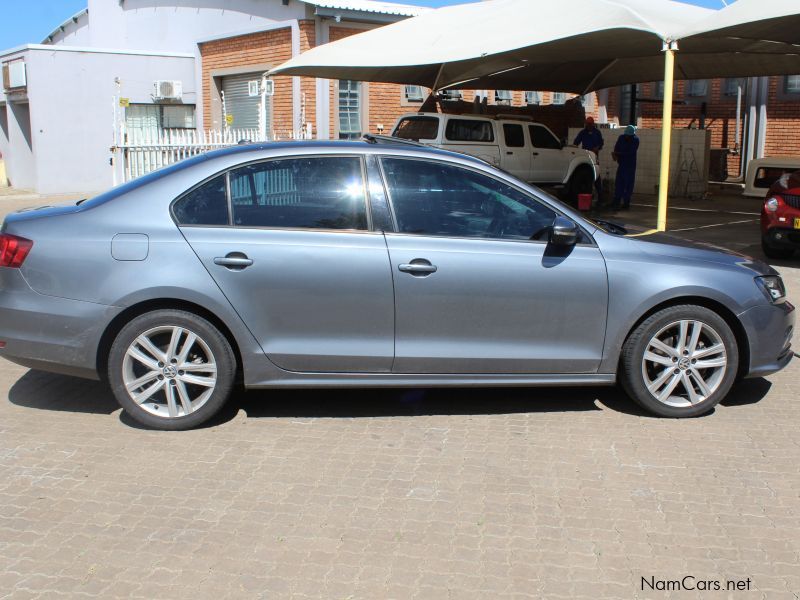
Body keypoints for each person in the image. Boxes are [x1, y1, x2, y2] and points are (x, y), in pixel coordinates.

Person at [573, 116, 604, 198]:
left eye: (590, 124)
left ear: (593, 124)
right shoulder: (583, 132)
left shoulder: (597, 132)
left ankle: (600, 195)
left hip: (594, 156)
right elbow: (576, 142)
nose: (588, 125)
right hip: (585, 157)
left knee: (596, 175)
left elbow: (601, 143)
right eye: (587, 124)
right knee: (586, 176)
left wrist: (597, 148)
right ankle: (587, 194)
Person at [611, 125, 640, 211]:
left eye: (628, 136)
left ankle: (626, 202)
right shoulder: (621, 138)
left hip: (630, 165)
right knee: (619, 182)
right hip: (622, 164)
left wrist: (618, 153)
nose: (626, 137)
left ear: (631, 135)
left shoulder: (635, 140)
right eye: (626, 135)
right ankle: (617, 200)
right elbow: (617, 146)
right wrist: (615, 153)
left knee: (628, 184)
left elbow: (630, 152)